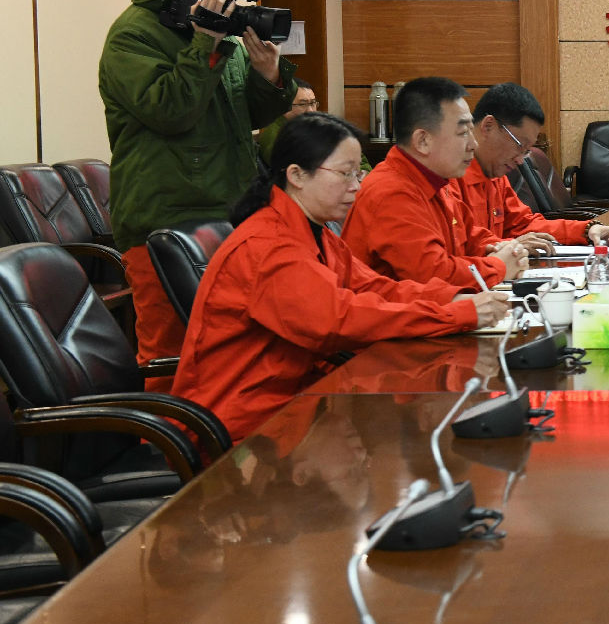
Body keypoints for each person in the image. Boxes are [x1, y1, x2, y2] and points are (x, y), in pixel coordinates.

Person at [172, 113, 510, 439]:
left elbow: (375, 287)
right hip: (246, 425)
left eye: (357, 174)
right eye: (345, 174)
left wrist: (452, 299)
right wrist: (454, 314)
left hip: (301, 401)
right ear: (297, 175)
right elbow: (338, 319)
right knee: (410, 431)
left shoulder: (315, 231)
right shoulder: (269, 244)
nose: (356, 187)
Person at [98, 0, 299, 365]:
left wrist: (269, 74)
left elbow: (249, 114)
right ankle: (163, 416)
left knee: (233, 344)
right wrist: (205, 42)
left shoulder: (208, 31)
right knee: (171, 351)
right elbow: (171, 111)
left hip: (227, 207)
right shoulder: (132, 35)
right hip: (164, 216)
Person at [342, 77, 531, 287]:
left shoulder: (436, 181)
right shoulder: (391, 193)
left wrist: (504, 249)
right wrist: (499, 266)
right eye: (463, 133)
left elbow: (471, 238)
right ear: (423, 141)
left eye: (472, 131)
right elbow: (436, 275)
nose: (473, 144)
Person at [455, 83, 609, 252]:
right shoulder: (449, 179)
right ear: (488, 126)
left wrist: (586, 230)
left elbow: (523, 225)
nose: (520, 161)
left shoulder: (495, 176)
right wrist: (508, 246)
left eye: (526, 151)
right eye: (519, 145)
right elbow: (457, 249)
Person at [255, 78, 319, 164]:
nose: (310, 111)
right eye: (302, 104)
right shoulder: (277, 135)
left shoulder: (298, 127)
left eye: (313, 103)